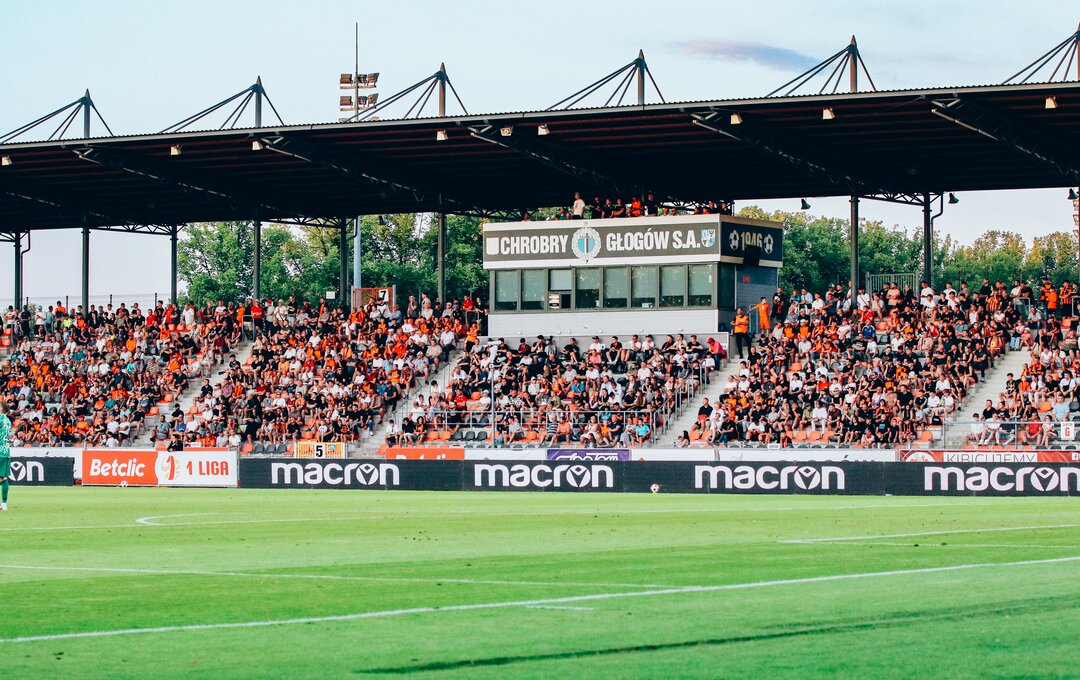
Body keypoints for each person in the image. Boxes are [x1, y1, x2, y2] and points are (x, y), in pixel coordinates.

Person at [0, 400, 10, 510]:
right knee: (3, 478)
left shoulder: (0, 418)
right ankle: (4, 503)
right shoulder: (8, 420)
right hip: (6, 451)